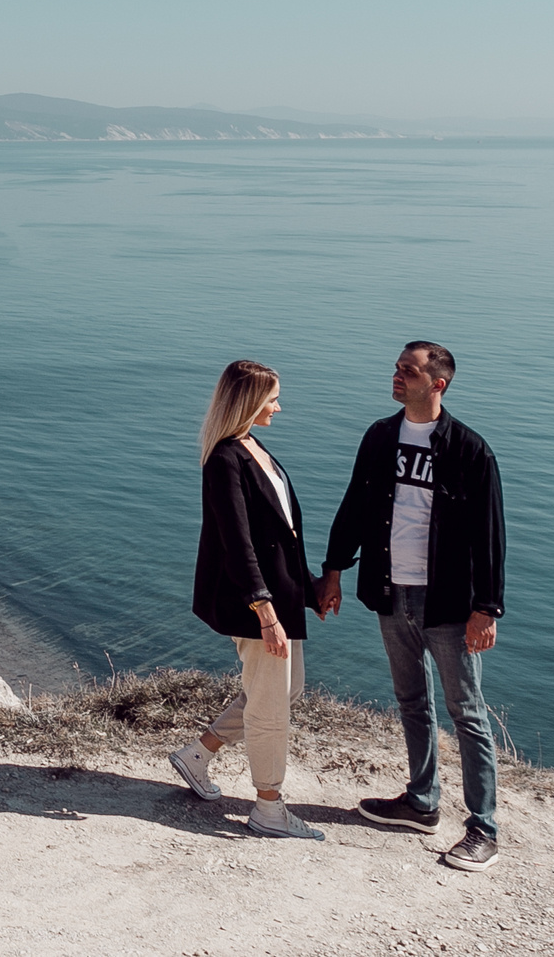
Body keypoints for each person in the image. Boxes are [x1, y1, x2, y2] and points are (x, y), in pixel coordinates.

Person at [317, 341, 506, 872]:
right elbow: (354, 504)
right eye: (398, 368)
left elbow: (490, 536)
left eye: (408, 370)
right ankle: (421, 802)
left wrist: (486, 608)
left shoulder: (470, 450)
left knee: (466, 712)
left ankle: (483, 828)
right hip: (388, 590)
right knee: (410, 700)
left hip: (447, 601)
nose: (396, 376)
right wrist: (333, 569)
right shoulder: (380, 436)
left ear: (437, 383)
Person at [173, 359, 328, 840]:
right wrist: (265, 612)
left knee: (285, 692)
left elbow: (284, 533)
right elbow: (237, 542)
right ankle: (268, 807)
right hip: (257, 603)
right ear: (247, 401)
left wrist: (310, 588)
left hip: (281, 596)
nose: (279, 407)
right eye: (272, 398)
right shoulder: (224, 459)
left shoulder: (253, 447)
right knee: (270, 707)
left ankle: (198, 754)